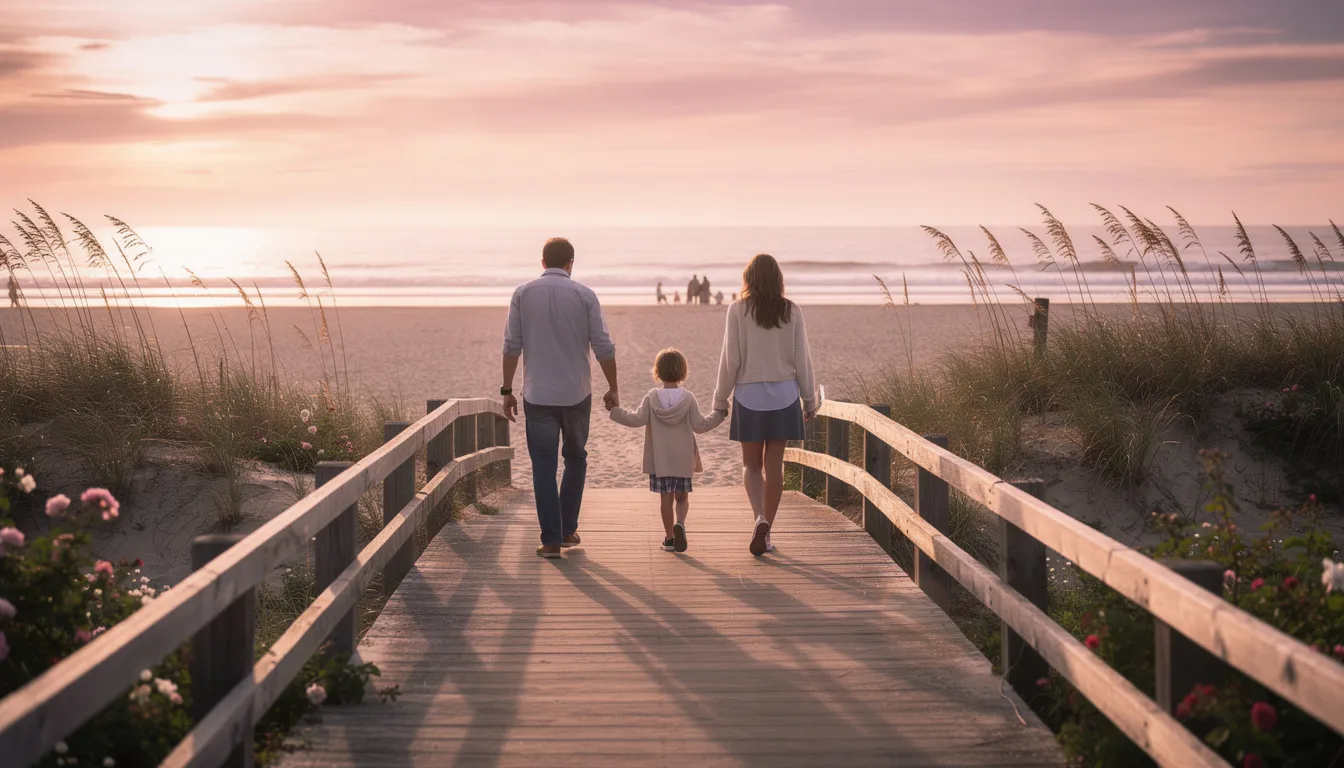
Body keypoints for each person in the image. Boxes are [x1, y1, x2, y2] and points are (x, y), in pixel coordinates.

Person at [501, 237, 619, 559]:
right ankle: (568, 530)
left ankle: (552, 540)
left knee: (543, 465)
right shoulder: (585, 295)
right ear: (571, 263)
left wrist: (506, 390)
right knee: (576, 458)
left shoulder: (522, 294)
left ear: (543, 263)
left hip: (537, 394)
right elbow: (603, 346)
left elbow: (511, 346)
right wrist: (614, 387)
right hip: (577, 392)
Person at [712, 254, 817, 556]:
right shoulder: (792, 311)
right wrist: (809, 398)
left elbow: (730, 360)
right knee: (775, 466)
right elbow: (802, 359)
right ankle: (767, 530)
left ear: (749, 279)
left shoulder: (737, 310)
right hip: (785, 395)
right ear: (778, 279)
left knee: (750, 465)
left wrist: (720, 400)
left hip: (749, 396)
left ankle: (758, 516)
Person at [608, 348, 725, 553]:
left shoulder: (652, 397)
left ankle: (670, 538)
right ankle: (680, 523)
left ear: (658, 372)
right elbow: (700, 425)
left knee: (665, 499)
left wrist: (614, 411)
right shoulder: (688, 398)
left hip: (660, 460)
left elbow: (636, 419)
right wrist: (719, 415)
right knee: (682, 497)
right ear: (682, 372)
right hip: (682, 458)